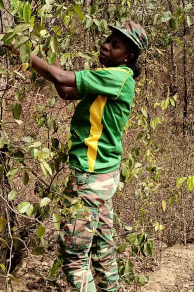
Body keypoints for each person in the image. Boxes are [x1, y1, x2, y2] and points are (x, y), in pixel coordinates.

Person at [8, 20, 148, 292]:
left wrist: (21, 49)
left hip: (91, 177)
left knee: (74, 258)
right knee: (102, 250)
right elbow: (66, 90)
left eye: (115, 45)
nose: (106, 46)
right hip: (103, 178)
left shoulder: (117, 77)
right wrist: (52, 66)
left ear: (128, 57)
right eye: (108, 40)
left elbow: (61, 78)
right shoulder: (109, 77)